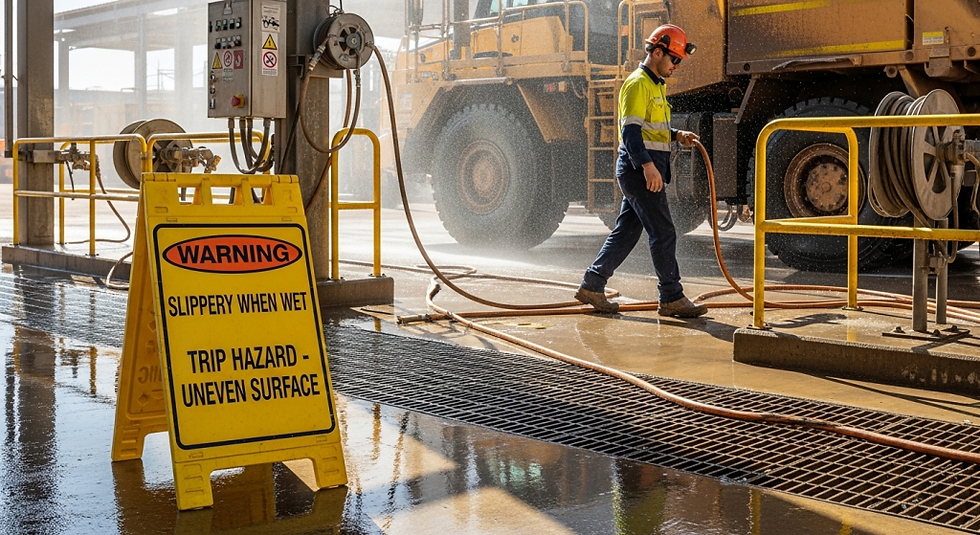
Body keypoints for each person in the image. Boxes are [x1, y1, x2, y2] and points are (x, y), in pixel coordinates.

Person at [575, 24, 707, 318]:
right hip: (639, 170)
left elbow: (652, 130)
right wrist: (648, 167)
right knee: (663, 232)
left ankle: (592, 285)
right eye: (674, 59)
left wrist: (676, 135)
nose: (676, 66)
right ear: (657, 52)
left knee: (625, 233)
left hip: (643, 168)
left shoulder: (656, 85)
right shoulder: (637, 84)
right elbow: (631, 133)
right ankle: (672, 297)